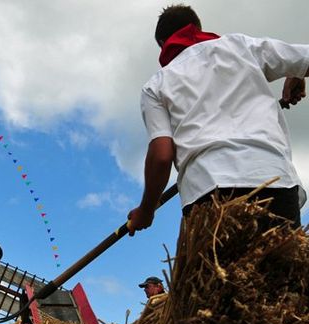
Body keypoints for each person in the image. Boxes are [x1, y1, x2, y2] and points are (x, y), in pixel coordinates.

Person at [127, 4, 309, 235]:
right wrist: (296, 72)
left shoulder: (156, 85)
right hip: (273, 181)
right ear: (198, 27)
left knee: (220, 271)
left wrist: (146, 210)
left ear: (163, 44)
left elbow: (162, 156)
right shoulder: (240, 46)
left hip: (208, 192)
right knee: (281, 271)